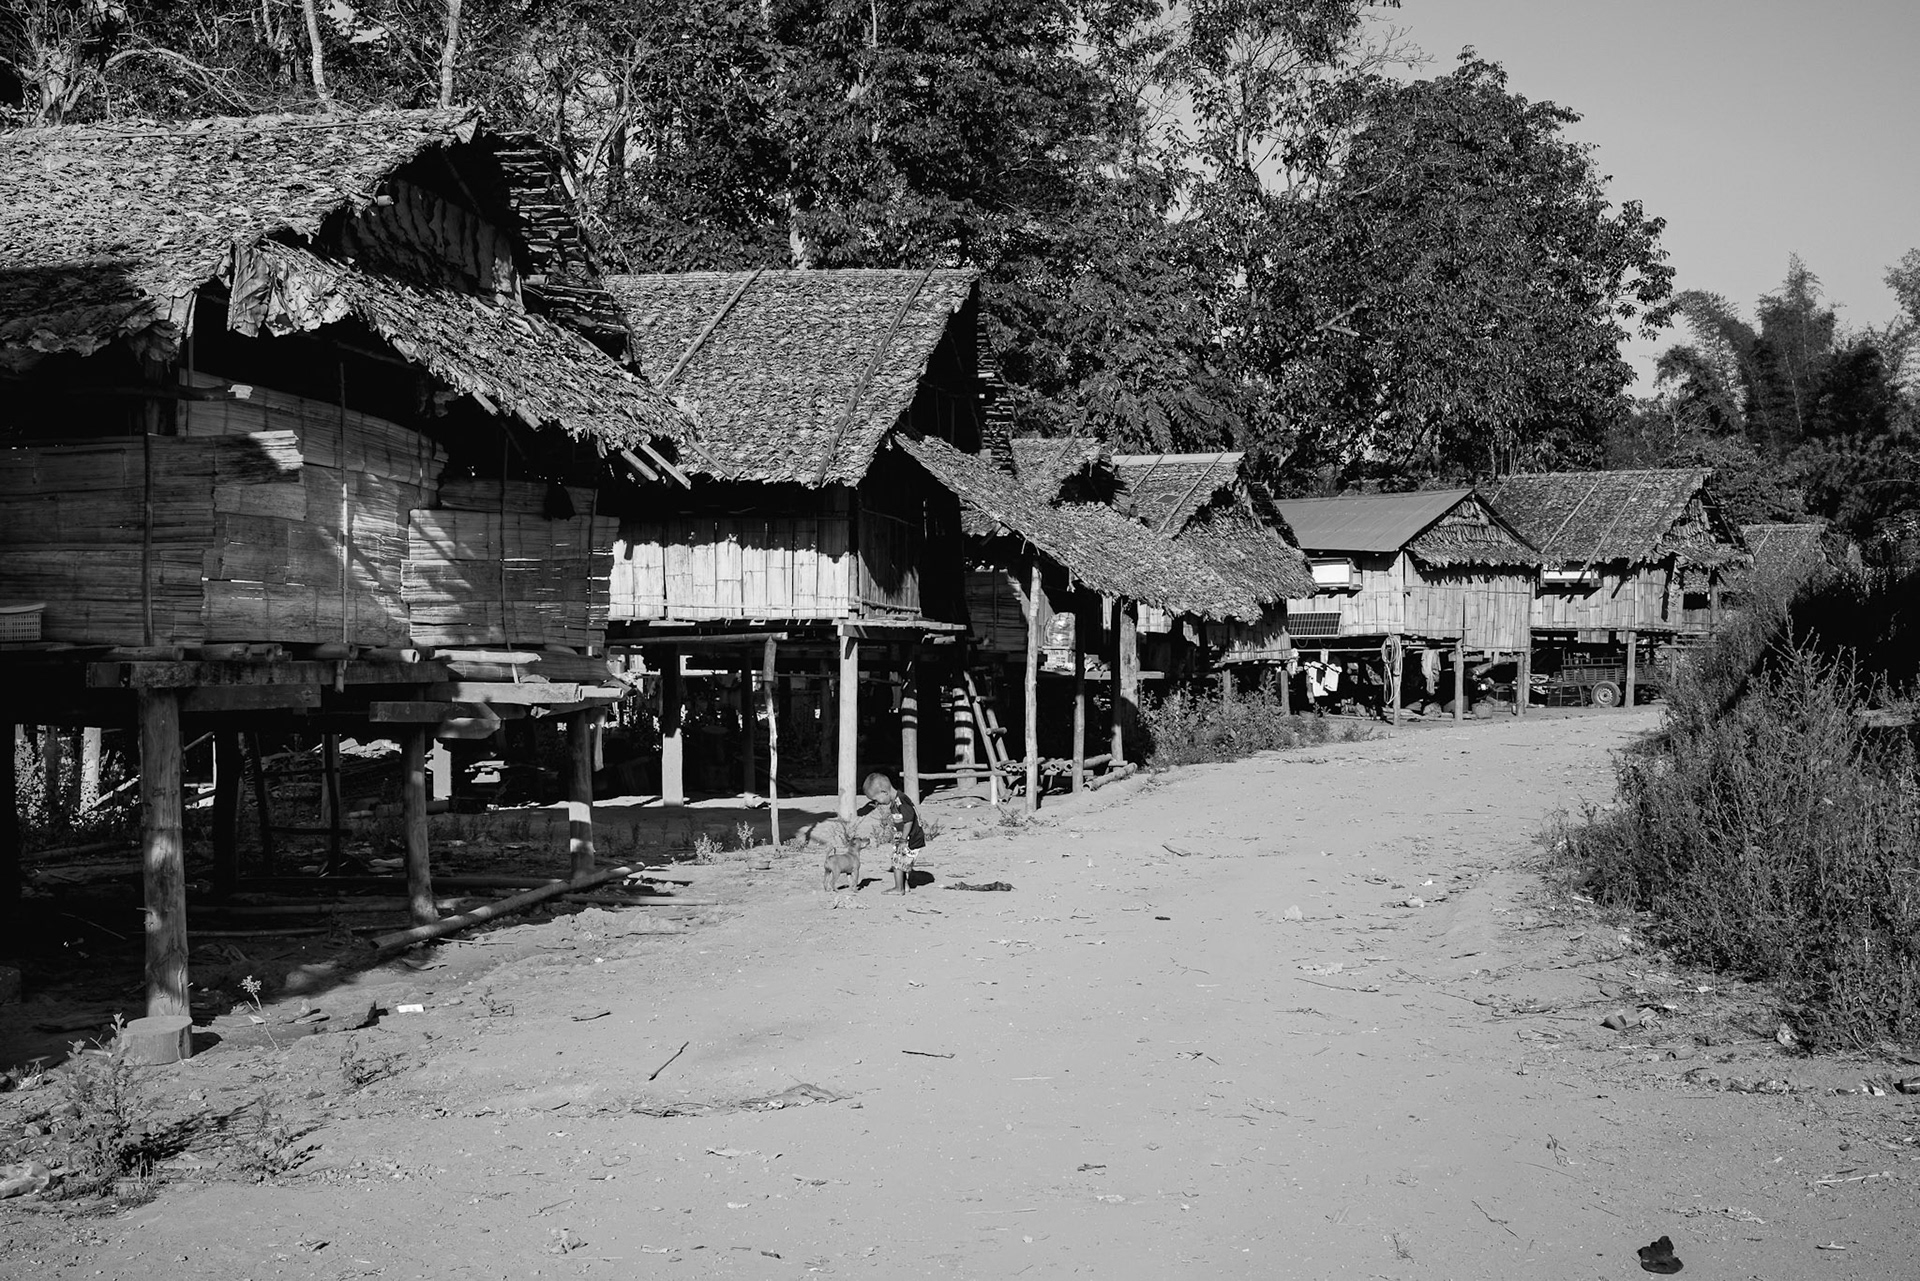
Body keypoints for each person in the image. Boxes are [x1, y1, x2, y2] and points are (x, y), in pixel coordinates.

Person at [859, 771, 925, 894]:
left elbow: (909, 820)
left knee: (897, 862)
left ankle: (898, 889)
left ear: (884, 792)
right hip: (906, 837)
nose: (877, 802)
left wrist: (904, 839)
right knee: (901, 860)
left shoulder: (901, 801)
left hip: (910, 838)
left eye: (876, 799)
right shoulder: (895, 801)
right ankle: (904, 885)